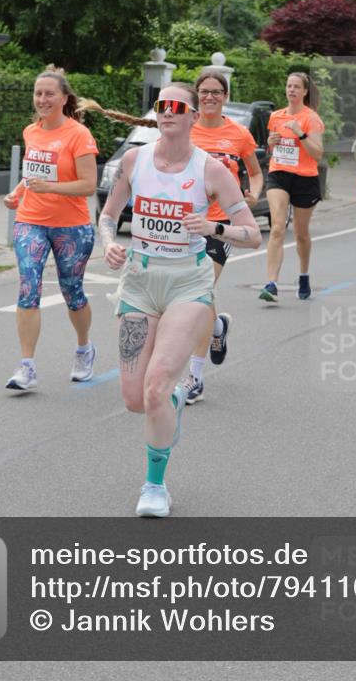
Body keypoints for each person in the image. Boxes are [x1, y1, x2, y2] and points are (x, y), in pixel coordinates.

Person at [98, 83, 261, 517]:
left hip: (188, 283)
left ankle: (155, 486)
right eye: (161, 106)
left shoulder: (211, 170)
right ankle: (171, 405)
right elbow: (108, 215)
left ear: (192, 117)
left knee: (154, 388)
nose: (167, 112)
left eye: (176, 107)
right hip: (138, 282)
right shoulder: (134, 161)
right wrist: (110, 243)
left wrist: (213, 228)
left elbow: (252, 234)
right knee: (135, 398)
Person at [3, 67, 99, 391]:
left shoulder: (79, 135)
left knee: (72, 291)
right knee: (28, 286)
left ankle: (84, 348)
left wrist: (51, 187)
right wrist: (18, 192)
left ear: (64, 98)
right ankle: (26, 365)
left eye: (49, 94)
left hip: (72, 226)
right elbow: (33, 174)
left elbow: (88, 185)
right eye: (38, 93)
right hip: (30, 220)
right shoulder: (32, 130)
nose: (42, 99)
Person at [178, 71, 263, 403]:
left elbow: (255, 173)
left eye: (216, 92)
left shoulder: (238, 134)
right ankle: (217, 329)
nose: (210, 97)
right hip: (184, 223)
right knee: (193, 292)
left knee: (200, 292)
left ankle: (195, 377)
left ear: (225, 96)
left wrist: (252, 195)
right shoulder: (186, 129)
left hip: (219, 224)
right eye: (204, 92)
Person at [259, 71, 324, 303]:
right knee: (277, 227)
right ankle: (271, 283)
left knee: (301, 234)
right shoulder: (276, 116)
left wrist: (301, 134)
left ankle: (304, 275)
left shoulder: (311, 118)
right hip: (279, 174)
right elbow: (272, 149)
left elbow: (317, 154)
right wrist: (270, 143)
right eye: (289, 86)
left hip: (305, 178)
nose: (291, 90)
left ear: (305, 91)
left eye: (297, 86)